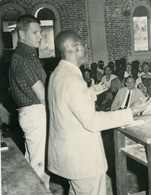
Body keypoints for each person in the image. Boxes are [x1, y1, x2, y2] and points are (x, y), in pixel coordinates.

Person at [47, 30, 145, 195]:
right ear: (77, 48)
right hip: (83, 158)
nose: (87, 51)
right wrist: (130, 112)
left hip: (69, 154)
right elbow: (92, 121)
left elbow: (67, 103)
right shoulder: (72, 80)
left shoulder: (58, 73)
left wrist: (91, 92)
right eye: (85, 46)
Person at [9, 14, 50, 187]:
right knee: (41, 168)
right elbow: (42, 95)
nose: (40, 36)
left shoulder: (22, 55)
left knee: (32, 164)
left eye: (40, 32)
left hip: (29, 113)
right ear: (22, 34)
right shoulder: (25, 58)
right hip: (37, 112)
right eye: (35, 32)